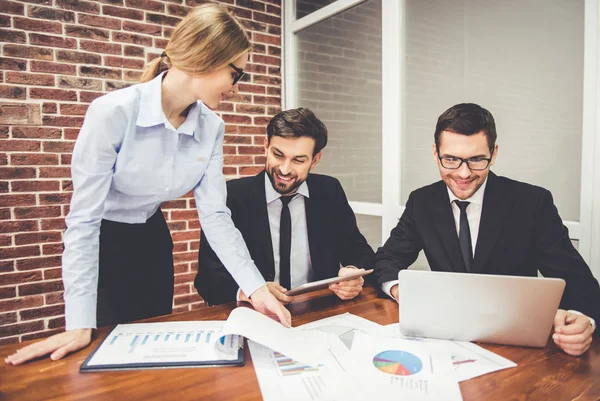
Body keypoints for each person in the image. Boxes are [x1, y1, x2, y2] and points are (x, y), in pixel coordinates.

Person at [5, 4, 290, 366]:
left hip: (152, 242)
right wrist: (78, 321)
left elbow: (216, 215)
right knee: (101, 356)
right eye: (236, 74)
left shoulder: (212, 128)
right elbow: (83, 221)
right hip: (103, 243)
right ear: (205, 56)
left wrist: (255, 287)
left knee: (152, 351)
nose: (235, 87)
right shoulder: (113, 112)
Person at [375, 103, 600, 356]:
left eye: (476, 160)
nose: (463, 173)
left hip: (515, 344)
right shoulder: (421, 201)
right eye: (450, 159)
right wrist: (398, 289)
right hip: (445, 340)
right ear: (435, 153)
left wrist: (584, 321)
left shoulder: (532, 203)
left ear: (493, 154)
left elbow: (581, 285)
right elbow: (387, 259)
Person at [195, 108, 375, 305]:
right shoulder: (232, 196)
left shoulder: (329, 191)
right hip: (254, 315)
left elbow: (360, 252)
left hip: (318, 312)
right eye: (278, 155)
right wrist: (250, 290)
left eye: (298, 160)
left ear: (315, 160)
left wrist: (352, 273)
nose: (284, 169)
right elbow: (208, 280)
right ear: (266, 146)